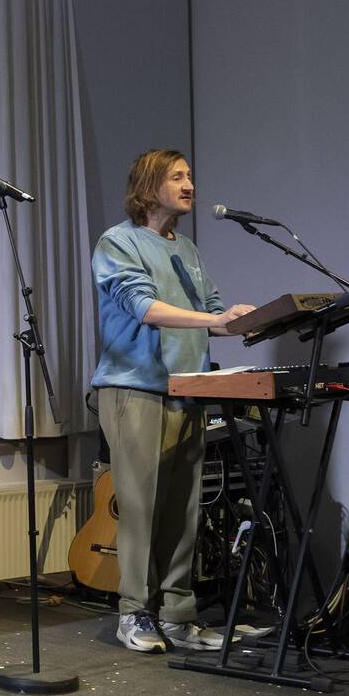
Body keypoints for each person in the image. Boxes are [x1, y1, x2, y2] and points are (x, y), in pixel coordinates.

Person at [92, 149, 254, 653]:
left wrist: (253, 319)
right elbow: (144, 308)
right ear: (148, 185)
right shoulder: (118, 242)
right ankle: (134, 615)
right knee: (141, 508)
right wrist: (214, 321)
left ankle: (178, 614)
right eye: (177, 177)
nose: (189, 185)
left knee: (184, 509)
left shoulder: (186, 247)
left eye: (190, 177)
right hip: (134, 388)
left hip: (189, 390)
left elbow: (210, 310)